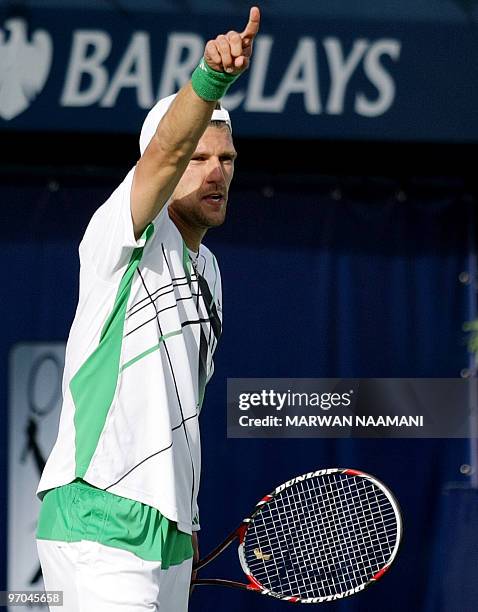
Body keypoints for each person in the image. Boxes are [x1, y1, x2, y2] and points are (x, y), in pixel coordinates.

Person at [35, 7, 261, 611]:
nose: (217, 172)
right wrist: (210, 78)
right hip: (98, 520)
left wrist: (182, 532)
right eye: (199, 158)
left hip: (169, 538)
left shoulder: (209, 274)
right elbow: (162, 153)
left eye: (228, 160)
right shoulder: (121, 233)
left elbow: (177, 413)